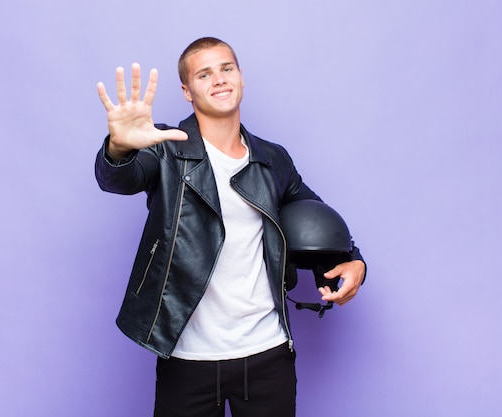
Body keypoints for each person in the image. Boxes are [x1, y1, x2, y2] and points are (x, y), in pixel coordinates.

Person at [95, 37, 366, 417]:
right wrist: (119, 149)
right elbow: (118, 179)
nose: (219, 80)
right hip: (187, 356)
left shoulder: (272, 158)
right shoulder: (165, 148)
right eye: (204, 74)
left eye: (226, 69)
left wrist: (354, 260)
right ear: (187, 91)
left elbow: (313, 216)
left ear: (240, 76)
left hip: (267, 355)